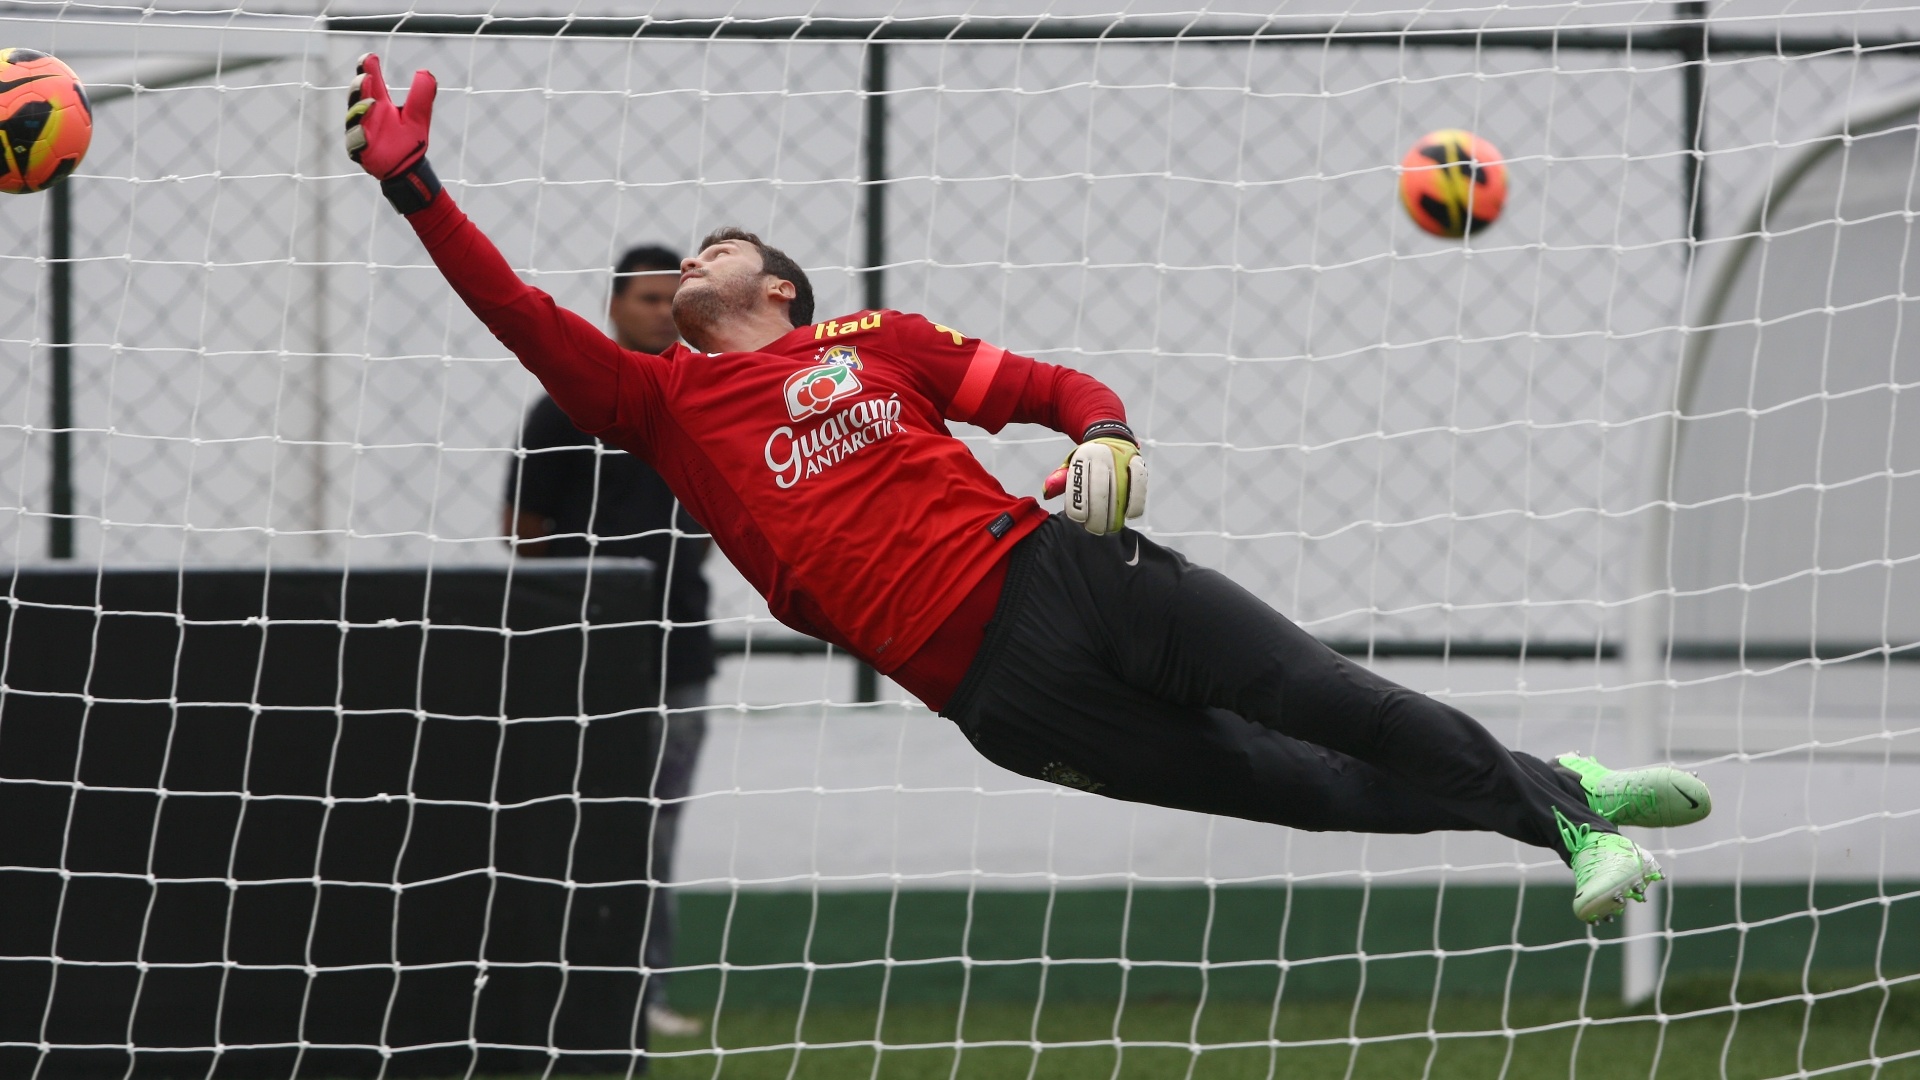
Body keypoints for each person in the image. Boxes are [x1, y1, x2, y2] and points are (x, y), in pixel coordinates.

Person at [346, 55, 1713, 927]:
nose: (691, 256)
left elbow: (1053, 389)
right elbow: (518, 312)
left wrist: (1108, 439)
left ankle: (1564, 823)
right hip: (997, 697)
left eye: (721, 243)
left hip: (1064, 573)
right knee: (1305, 789)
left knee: (1325, 698)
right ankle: (1564, 791)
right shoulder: (663, 406)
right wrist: (414, 183)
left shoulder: (876, 342)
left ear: (779, 289)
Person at [501, 243, 714, 1037]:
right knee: (572, 822)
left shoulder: (702, 397)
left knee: (657, 826)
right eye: (649, 299)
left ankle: (643, 992)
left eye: (674, 300)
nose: (663, 313)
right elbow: (523, 531)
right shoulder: (562, 407)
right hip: (582, 662)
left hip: (680, 654)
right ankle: (556, 987)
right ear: (615, 307)